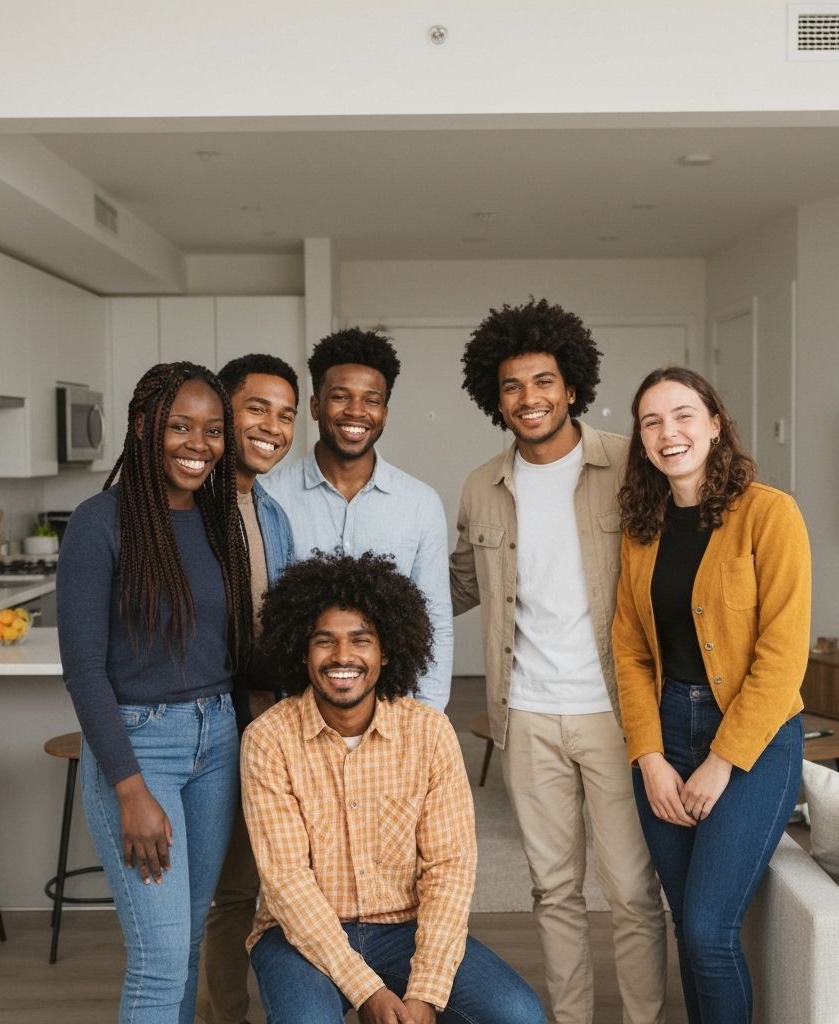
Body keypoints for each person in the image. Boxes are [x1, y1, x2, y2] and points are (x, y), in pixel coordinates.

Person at [449, 298, 667, 1024]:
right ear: (495, 398)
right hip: (527, 715)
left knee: (632, 891)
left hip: (617, 711)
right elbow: (455, 584)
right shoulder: (482, 485)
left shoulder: (629, 464)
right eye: (511, 386)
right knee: (553, 890)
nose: (528, 398)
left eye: (543, 381)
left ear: (571, 386)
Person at [241, 550, 545, 1024]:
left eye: (360, 640)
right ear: (302, 652)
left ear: (385, 651)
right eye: (325, 641)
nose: (343, 656)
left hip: (404, 928)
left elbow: (449, 870)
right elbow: (287, 883)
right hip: (298, 934)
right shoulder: (268, 739)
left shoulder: (428, 732)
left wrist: (425, 990)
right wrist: (368, 991)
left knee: (519, 1015)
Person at [611, 365, 810, 1024]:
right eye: (651, 422)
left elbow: (782, 658)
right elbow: (631, 651)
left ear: (716, 424)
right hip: (666, 733)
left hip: (755, 740)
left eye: (683, 415)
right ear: (641, 441)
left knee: (709, 931)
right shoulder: (642, 527)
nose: (668, 432)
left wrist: (723, 761)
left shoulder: (770, 514)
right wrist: (648, 756)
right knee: (687, 928)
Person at [57, 361, 251, 1024]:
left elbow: (225, 651)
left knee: (187, 941)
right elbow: (84, 670)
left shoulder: (218, 519)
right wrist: (130, 789)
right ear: (143, 426)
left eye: (213, 430)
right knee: (160, 957)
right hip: (142, 750)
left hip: (218, 741)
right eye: (180, 426)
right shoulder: (99, 522)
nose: (199, 444)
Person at [262, 327, 452, 710]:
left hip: (392, 713)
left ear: (385, 413)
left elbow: (436, 620)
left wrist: (429, 717)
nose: (356, 411)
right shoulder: (269, 496)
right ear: (315, 406)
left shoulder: (421, 504)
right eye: (340, 396)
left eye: (371, 400)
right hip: (295, 713)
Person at [196, 353, 299, 1024]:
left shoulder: (272, 514)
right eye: (256, 408)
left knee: (247, 886)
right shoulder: (184, 508)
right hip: (207, 728)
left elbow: (275, 624)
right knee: (211, 896)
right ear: (221, 412)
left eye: (285, 415)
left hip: (267, 726)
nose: (272, 427)